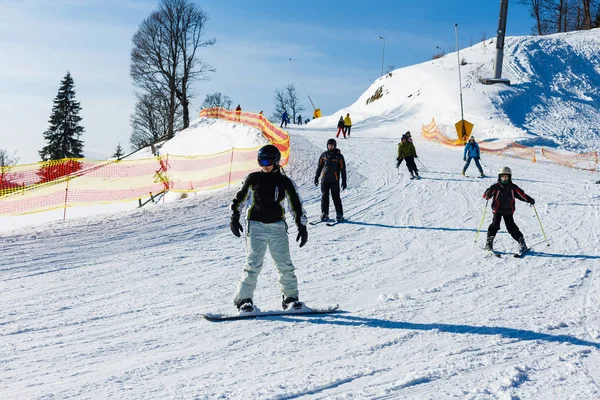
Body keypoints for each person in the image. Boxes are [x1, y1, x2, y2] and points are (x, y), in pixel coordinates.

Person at [230, 144, 308, 313]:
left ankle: (291, 299)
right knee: (253, 264)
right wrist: (234, 217)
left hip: (277, 227)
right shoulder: (253, 178)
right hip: (255, 225)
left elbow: (296, 205)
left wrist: (301, 226)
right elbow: (239, 199)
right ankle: (244, 300)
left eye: (266, 161)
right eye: (260, 161)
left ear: (275, 161)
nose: (263, 165)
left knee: (285, 264)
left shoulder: (285, 182)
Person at [482, 166, 535, 254]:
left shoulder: (513, 187)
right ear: (499, 177)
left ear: (509, 177)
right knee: (495, 225)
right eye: (503, 176)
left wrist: (529, 199)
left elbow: (522, 195)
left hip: (508, 211)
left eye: (506, 176)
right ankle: (489, 243)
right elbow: (486, 195)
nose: (504, 178)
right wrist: (487, 193)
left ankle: (522, 243)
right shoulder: (496, 187)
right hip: (497, 210)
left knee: (511, 227)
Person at [314, 138, 347, 222]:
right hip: (325, 180)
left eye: (332, 145)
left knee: (336, 198)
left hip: (334, 181)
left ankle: (339, 214)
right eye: (329, 145)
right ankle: (324, 213)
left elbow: (343, 169)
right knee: (324, 197)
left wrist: (344, 181)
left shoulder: (339, 156)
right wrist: (316, 177)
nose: (330, 146)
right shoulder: (324, 155)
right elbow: (319, 167)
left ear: (335, 146)